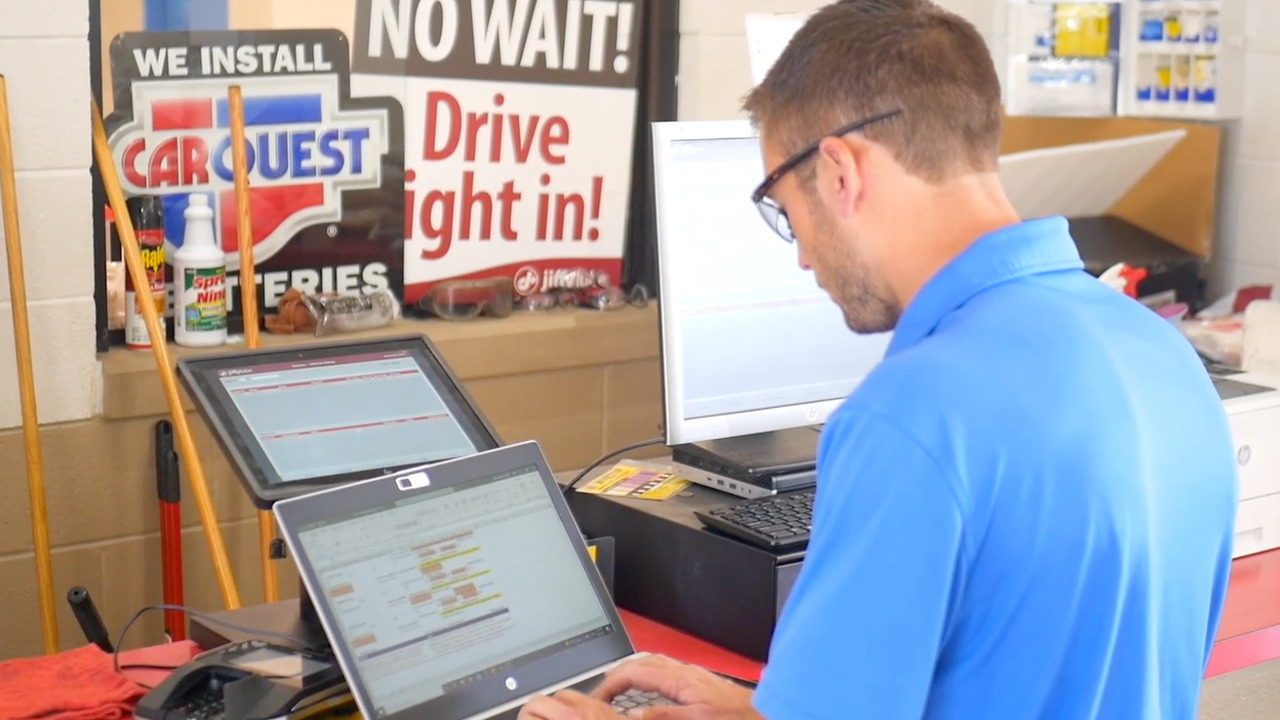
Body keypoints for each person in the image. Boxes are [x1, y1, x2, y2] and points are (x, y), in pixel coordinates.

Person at [518, 1, 1239, 718]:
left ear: (840, 170)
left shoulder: (912, 420)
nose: (801, 255)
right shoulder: (1162, 357)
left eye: (786, 213)